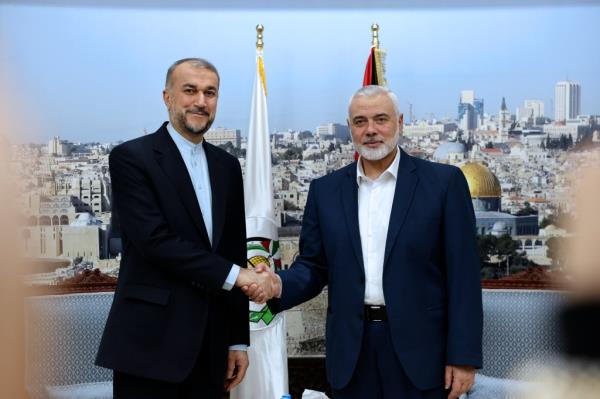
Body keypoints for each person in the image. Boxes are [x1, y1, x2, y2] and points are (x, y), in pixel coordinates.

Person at [245, 85, 483, 399]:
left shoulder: (443, 184)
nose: (370, 130)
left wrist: (463, 357)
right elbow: (314, 267)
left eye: (380, 119)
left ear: (400, 123)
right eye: (360, 122)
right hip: (351, 353)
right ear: (350, 128)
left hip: (422, 353)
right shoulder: (325, 191)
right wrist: (278, 285)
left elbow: (463, 276)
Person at [96, 58, 268, 399]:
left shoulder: (227, 166)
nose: (201, 102)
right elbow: (154, 242)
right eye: (190, 91)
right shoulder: (131, 158)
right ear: (167, 97)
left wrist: (237, 339)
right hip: (149, 345)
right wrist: (241, 276)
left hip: (212, 346)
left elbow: (231, 248)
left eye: (210, 92)